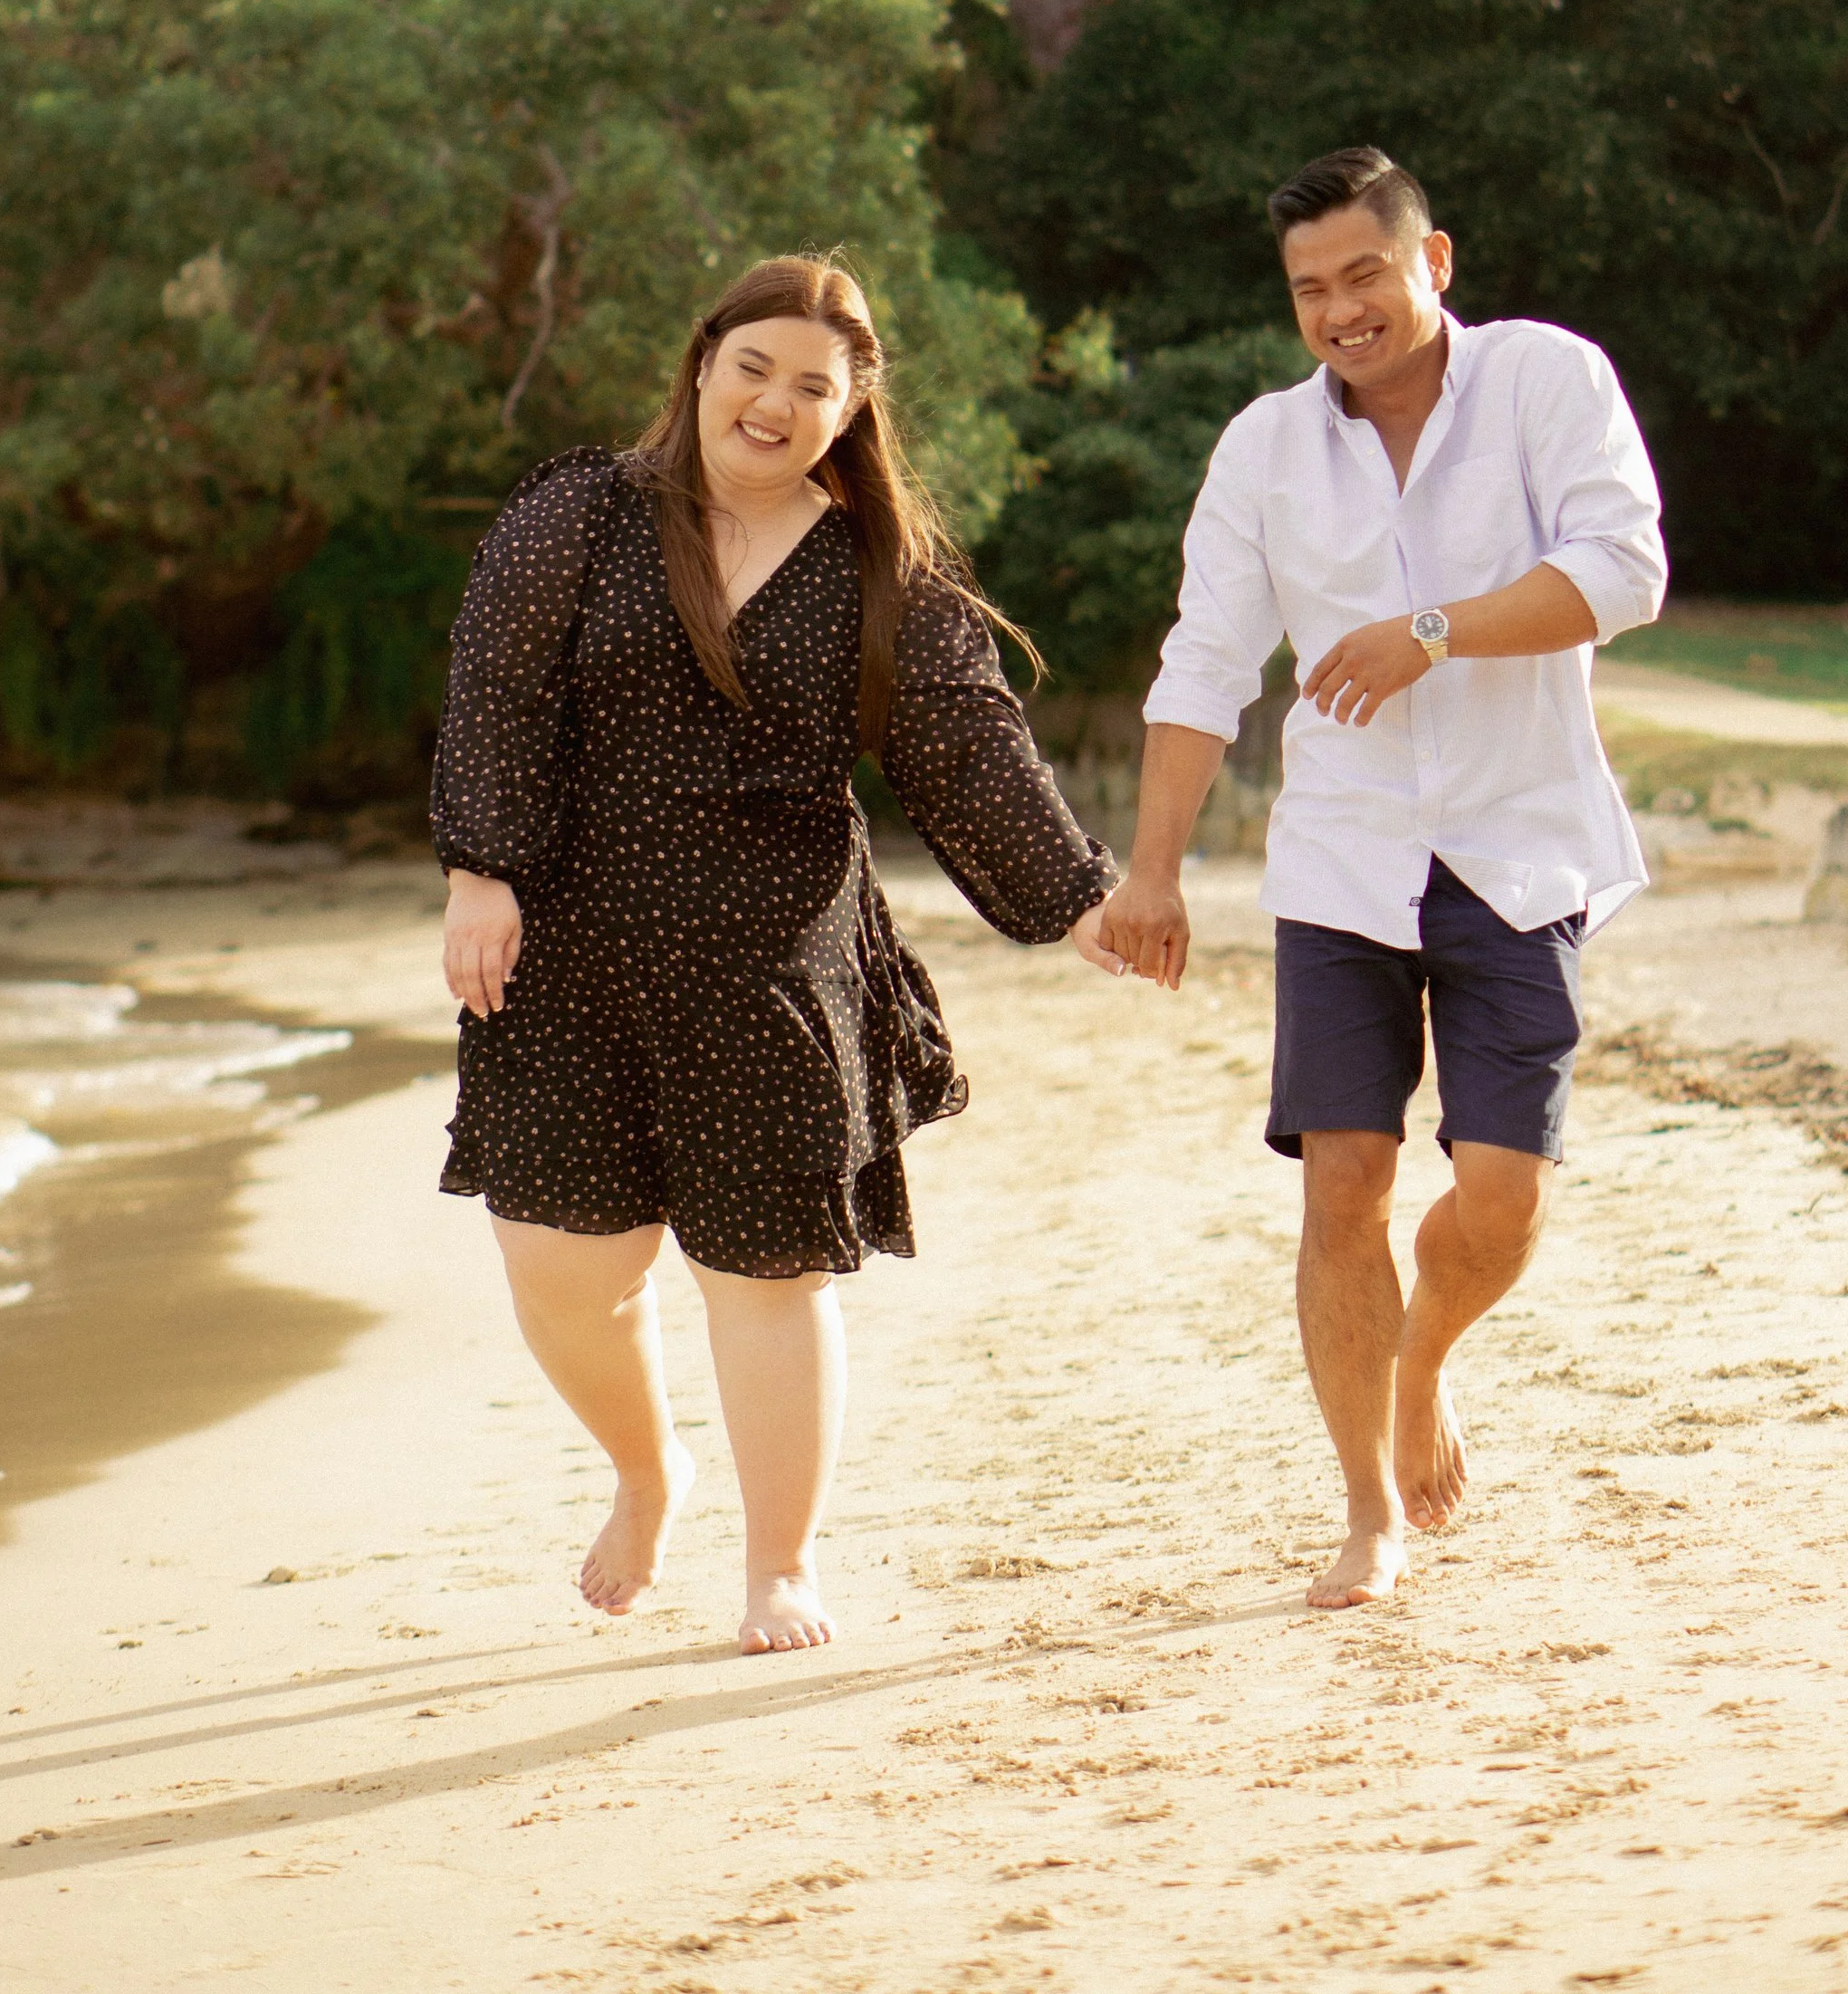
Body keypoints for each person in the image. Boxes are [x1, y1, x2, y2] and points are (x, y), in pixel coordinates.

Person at [433, 255, 1130, 1658]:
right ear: (702, 364)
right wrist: (477, 868)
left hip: (772, 957)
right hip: (573, 941)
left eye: (815, 383)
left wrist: (1081, 898)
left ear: (851, 407)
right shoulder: (580, 515)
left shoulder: (884, 571)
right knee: (561, 1266)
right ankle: (649, 1470)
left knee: (765, 1274)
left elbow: (964, 742)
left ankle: (780, 1565)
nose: (775, 400)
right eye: (755, 365)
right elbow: (495, 691)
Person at [1100, 146, 1665, 1609]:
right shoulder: (1263, 450)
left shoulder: (1546, 380)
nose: (1341, 308)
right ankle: (1367, 1511)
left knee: (1501, 1200)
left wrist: (1431, 626)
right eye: (1310, 288)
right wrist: (1151, 872)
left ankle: (1426, 1355)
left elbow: (1624, 568)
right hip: (1342, 863)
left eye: (1365, 272)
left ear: (1436, 260)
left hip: (1517, 844)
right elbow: (1207, 662)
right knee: (1343, 1182)